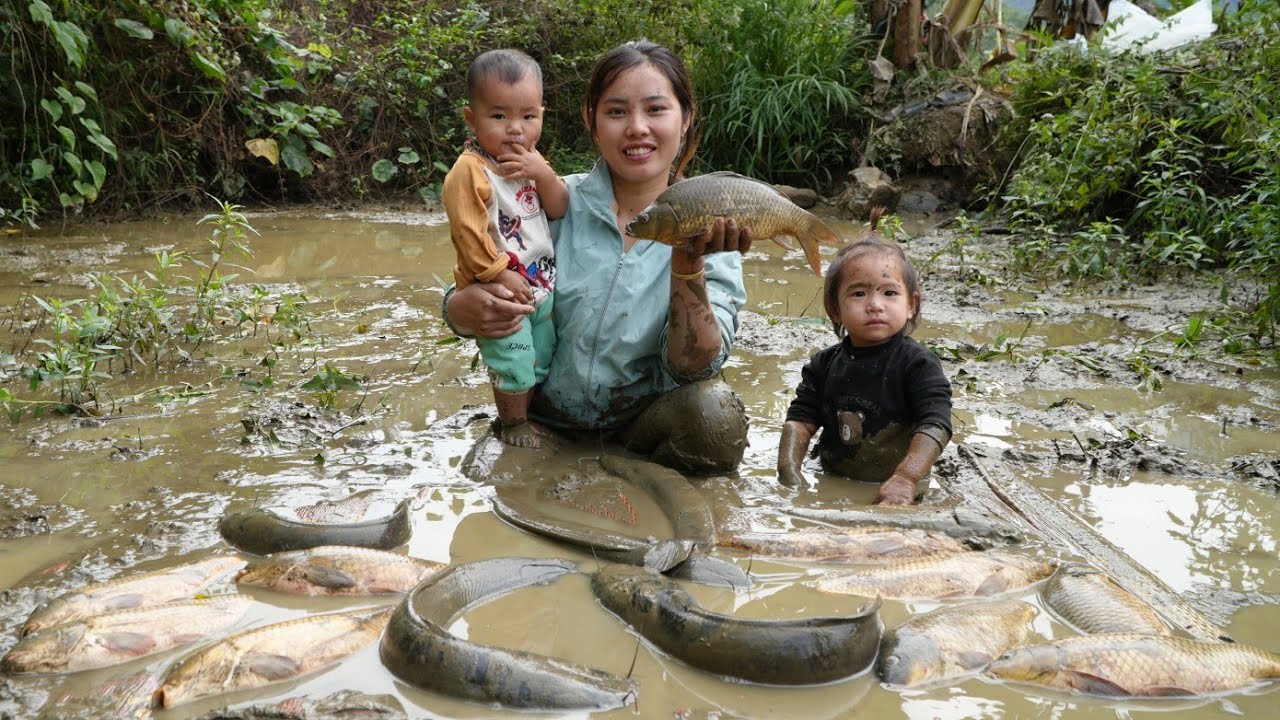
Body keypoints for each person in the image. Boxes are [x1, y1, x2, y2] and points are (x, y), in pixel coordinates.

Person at [443, 39, 753, 474]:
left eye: (656, 109)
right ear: (591, 120)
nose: (637, 128)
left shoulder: (712, 229)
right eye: (617, 112)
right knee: (488, 482)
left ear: (686, 119)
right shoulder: (546, 196)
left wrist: (688, 262)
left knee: (714, 413)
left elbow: (693, 368)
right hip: (542, 420)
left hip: (642, 429)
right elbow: (469, 283)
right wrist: (462, 308)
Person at [443, 49, 569, 448]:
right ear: (472, 118)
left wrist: (543, 174)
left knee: (540, 356)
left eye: (528, 117)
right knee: (512, 357)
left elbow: (559, 207)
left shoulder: (533, 162)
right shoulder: (469, 170)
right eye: (499, 116)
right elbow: (469, 233)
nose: (515, 129)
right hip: (499, 291)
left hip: (540, 285)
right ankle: (513, 424)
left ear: (542, 116)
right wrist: (499, 272)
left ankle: (528, 416)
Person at [776, 227, 952, 505]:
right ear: (835, 308)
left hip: (899, 489)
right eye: (859, 293)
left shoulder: (918, 364)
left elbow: (936, 424)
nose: (875, 305)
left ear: (911, 304)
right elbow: (800, 422)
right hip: (832, 479)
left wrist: (907, 477)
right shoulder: (822, 365)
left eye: (890, 292)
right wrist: (789, 474)